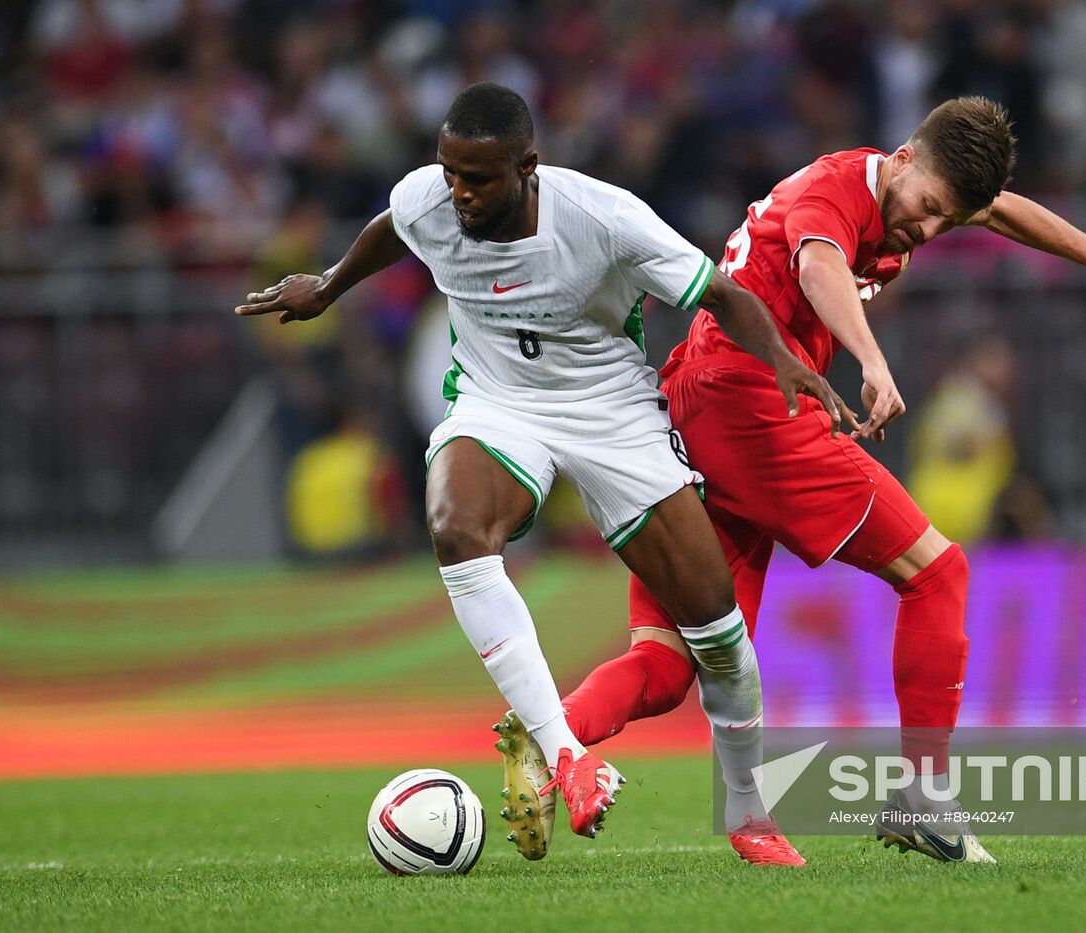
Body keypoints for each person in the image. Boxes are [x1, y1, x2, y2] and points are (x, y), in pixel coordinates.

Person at [558, 97, 1086, 864]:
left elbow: (1002, 212)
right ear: (902, 157)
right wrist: (869, 357)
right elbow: (818, 261)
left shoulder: (916, 187)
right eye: (929, 208)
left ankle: (545, 738)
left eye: (946, 221)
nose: (929, 231)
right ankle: (923, 797)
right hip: (753, 401)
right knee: (937, 570)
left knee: (670, 664)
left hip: (701, 403)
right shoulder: (838, 189)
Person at [235, 83, 850, 866]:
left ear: (529, 166)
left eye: (479, 178)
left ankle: (748, 812)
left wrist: (787, 365)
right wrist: (327, 285)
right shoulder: (431, 199)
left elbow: (719, 292)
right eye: (450, 170)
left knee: (719, 639)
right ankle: (566, 753)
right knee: (455, 526)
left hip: (611, 411)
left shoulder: (602, 217)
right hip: (497, 402)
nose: (459, 191)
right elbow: (396, 226)